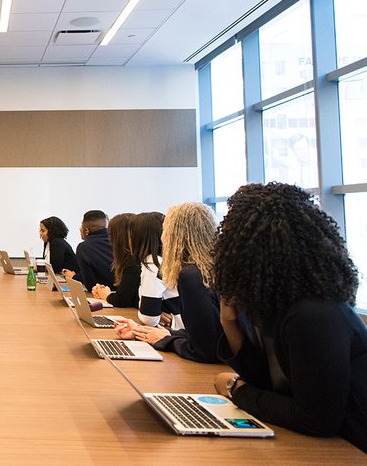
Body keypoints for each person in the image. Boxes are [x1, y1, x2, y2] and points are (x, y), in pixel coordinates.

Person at [211, 183, 366, 452]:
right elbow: (269, 384)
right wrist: (230, 322)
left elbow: (317, 421)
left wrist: (237, 391)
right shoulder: (281, 305)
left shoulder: (313, 314)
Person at [113, 203, 221, 363]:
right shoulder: (215, 267)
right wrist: (154, 332)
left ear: (174, 235)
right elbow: (211, 336)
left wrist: (167, 340)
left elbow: (205, 350)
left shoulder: (191, 275)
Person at [91, 213, 139, 307]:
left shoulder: (133, 262)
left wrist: (105, 294)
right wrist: (105, 292)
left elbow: (122, 300)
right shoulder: (132, 259)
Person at [75, 210, 114, 289]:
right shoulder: (117, 241)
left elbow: (90, 285)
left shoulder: (83, 247)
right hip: (124, 294)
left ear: (86, 230)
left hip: (101, 294)